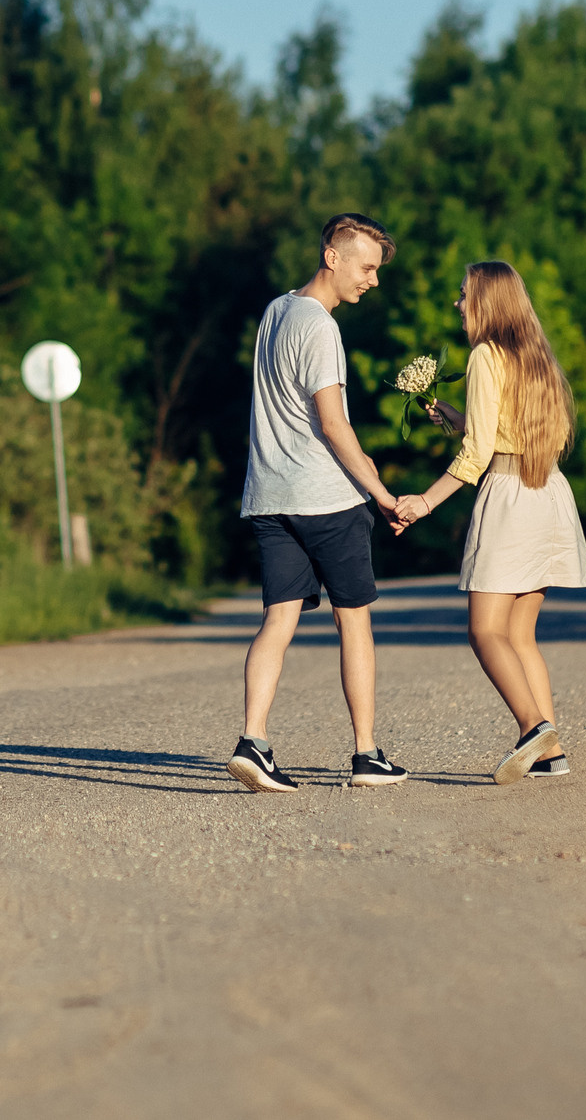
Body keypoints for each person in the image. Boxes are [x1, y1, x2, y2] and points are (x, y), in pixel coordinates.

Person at [227, 213, 413, 793]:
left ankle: (252, 741)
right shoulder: (321, 327)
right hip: (325, 499)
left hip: (270, 495)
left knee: (278, 620)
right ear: (333, 256)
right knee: (352, 621)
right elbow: (332, 424)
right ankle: (366, 755)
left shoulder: (276, 311)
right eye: (367, 268)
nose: (373, 281)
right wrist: (381, 494)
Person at [390, 260, 586, 785]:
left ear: (487, 300)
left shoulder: (483, 355)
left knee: (484, 631)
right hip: (547, 492)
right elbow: (507, 433)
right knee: (520, 635)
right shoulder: (536, 356)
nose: (458, 304)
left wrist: (425, 502)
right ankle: (552, 754)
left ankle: (533, 729)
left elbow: (478, 455)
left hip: (509, 498)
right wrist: (456, 418)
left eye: (464, 294)